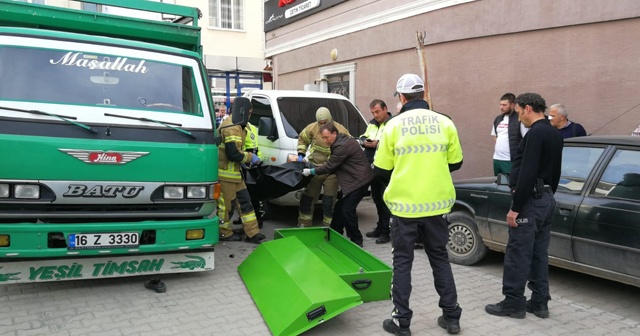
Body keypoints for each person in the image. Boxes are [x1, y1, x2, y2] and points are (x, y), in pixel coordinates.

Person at [375, 74, 464, 335]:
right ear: (423, 94)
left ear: (401, 98)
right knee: (440, 260)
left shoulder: (392, 125)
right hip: (437, 207)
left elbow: (381, 169)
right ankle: (451, 317)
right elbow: (456, 163)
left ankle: (401, 321)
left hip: (404, 208)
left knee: (402, 263)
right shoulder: (445, 122)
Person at [485, 93, 563, 320]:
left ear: (528, 108)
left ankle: (513, 303)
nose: (519, 118)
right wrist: (548, 195)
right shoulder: (554, 134)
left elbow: (527, 172)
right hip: (546, 198)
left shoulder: (535, 134)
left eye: (519, 112)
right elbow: (556, 172)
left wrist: (516, 207)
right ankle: (540, 302)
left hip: (530, 201)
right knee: (539, 253)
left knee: (518, 253)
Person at [302, 122, 373, 247]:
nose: (325, 141)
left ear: (334, 133)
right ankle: (335, 235)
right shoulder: (340, 141)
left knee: (347, 211)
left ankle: (356, 240)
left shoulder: (342, 146)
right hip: (355, 181)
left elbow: (330, 165)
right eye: (323, 138)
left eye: (326, 137)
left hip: (360, 181)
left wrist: (311, 171)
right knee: (340, 208)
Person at [217, 97, 267, 244]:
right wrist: (250, 158)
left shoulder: (238, 125)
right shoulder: (231, 127)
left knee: (245, 203)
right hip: (225, 175)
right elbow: (233, 154)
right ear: (243, 111)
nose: (249, 116)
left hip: (235, 175)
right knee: (225, 207)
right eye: (249, 113)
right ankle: (224, 233)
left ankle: (252, 233)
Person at [297, 107, 350, 227]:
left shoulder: (340, 130)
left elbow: (349, 146)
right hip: (315, 168)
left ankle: (328, 227)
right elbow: (302, 140)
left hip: (332, 171)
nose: (322, 125)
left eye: (325, 123)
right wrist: (301, 154)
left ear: (330, 120)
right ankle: (303, 225)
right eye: (320, 123)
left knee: (329, 201)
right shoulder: (312, 128)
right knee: (308, 198)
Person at [361, 99, 392, 244]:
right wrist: (365, 142)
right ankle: (380, 228)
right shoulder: (372, 124)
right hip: (373, 167)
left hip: (386, 169)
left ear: (385, 109)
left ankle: (386, 232)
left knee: (385, 201)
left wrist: (377, 144)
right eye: (373, 112)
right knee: (377, 200)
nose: (375, 115)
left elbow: (393, 142)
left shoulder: (392, 123)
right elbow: (363, 137)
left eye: (378, 112)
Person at [232, 122, 265, 228]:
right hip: (247, 161)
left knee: (252, 194)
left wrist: (257, 159)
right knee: (246, 195)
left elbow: (254, 146)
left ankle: (257, 220)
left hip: (250, 163)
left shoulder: (249, 127)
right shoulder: (244, 127)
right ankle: (247, 219)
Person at [492, 93, 528, 175]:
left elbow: (525, 138)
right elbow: (494, 135)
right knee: (498, 183)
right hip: (497, 159)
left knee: (510, 184)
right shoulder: (498, 119)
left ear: (512, 105)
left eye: (504, 105)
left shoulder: (519, 119)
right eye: (500, 105)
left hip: (510, 160)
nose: (501, 107)